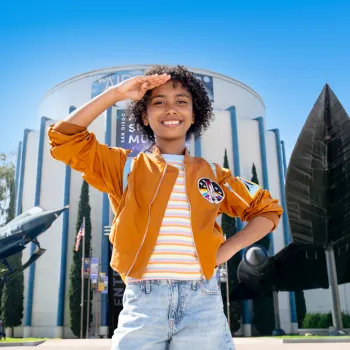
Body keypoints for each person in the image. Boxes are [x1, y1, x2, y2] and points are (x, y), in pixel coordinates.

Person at [48, 65, 283, 349]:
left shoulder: (214, 175)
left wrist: (228, 249)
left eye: (181, 102)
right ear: (145, 117)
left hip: (203, 304)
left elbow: (268, 210)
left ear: (194, 115)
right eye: (158, 102)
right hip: (143, 304)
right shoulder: (123, 168)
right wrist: (116, 93)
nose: (171, 109)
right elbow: (64, 138)